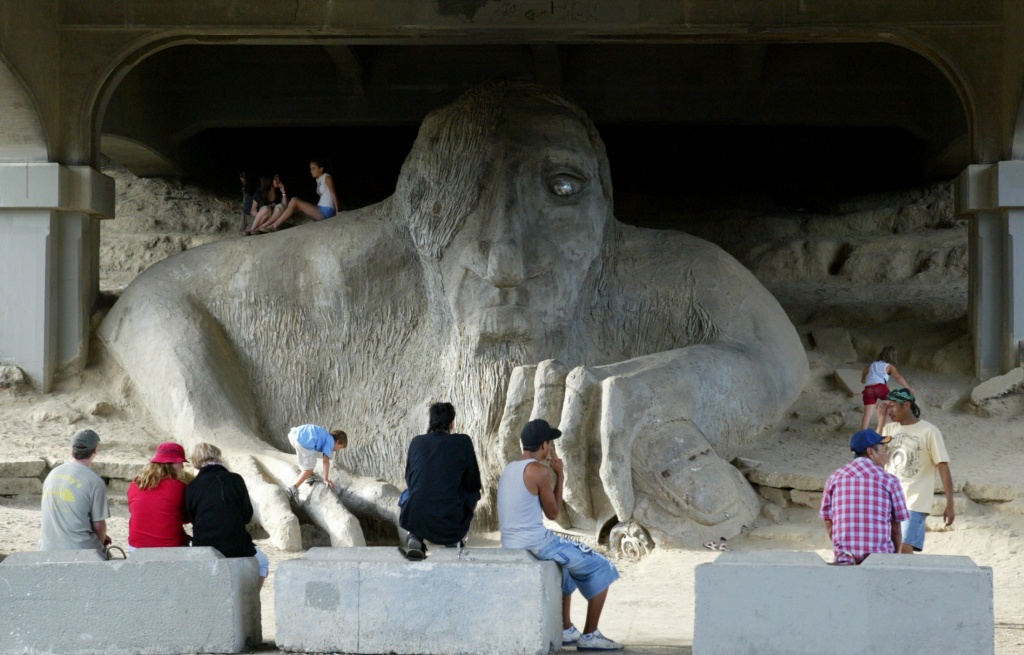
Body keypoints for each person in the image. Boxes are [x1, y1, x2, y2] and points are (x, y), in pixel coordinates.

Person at [100, 83, 809, 547]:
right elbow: (151, 301)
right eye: (462, 196)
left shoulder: (647, 268)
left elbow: (772, 348)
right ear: (417, 215)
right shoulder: (357, 262)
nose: (504, 256)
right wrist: (215, 425)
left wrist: (684, 386)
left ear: (602, 208)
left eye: (561, 190)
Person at [497, 419, 622, 651]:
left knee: (566, 564)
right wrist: (560, 475)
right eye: (550, 443)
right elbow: (553, 513)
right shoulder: (540, 471)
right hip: (536, 542)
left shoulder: (509, 468)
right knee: (602, 566)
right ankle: (590, 635)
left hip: (511, 542)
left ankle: (565, 629)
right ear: (544, 445)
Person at [876, 387, 955, 553]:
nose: (888, 411)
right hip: (889, 500)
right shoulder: (889, 430)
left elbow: (942, 466)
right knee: (891, 548)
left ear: (906, 405)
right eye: (886, 406)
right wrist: (881, 422)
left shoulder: (929, 431)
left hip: (915, 500)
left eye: (892, 406)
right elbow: (874, 455)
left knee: (904, 546)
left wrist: (950, 504)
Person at [399, 402, 482, 560]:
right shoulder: (463, 442)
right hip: (450, 519)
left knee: (408, 493)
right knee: (473, 493)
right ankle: (453, 537)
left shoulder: (416, 442)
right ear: (452, 424)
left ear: (430, 423)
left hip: (415, 518)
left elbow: (410, 480)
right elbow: (473, 484)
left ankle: (414, 536)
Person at [819, 430, 909, 565]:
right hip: (880, 561)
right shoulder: (889, 480)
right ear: (871, 452)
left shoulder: (835, 477)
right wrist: (894, 558)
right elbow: (896, 527)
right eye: (883, 450)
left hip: (845, 559)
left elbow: (828, 520)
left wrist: (840, 548)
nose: (886, 455)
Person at [186, 443, 269, 587]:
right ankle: (250, 601)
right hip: (235, 544)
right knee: (262, 563)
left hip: (203, 546)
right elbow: (247, 515)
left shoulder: (192, 486)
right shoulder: (235, 479)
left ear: (196, 461)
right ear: (218, 456)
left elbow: (191, 518)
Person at [39, 429, 112, 552]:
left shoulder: (53, 474)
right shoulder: (95, 482)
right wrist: (100, 545)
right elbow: (99, 526)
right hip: (79, 550)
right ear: (94, 450)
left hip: (47, 548)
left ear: (72, 449)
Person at [126, 441, 191, 550]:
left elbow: (134, 510)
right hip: (171, 546)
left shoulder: (135, 483)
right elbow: (186, 518)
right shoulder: (180, 487)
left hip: (136, 546)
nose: (182, 466)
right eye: (181, 462)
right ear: (172, 464)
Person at [256, 158, 339, 233]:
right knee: (293, 204)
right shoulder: (318, 179)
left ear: (321, 169)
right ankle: (271, 225)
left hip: (326, 211)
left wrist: (337, 211)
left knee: (294, 201)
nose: (311, 171)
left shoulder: (327, 177)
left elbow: (334, 194)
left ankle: (274, 225)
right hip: (320, 208)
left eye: (313, 169)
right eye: (310, 169)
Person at [285, 425, 345, 500]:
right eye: (340, 447)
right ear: (337, 442)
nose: (338, 450)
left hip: (294, 435)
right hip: (304, 442)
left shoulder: (325, 436)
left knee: (309, 460)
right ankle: (293, 488)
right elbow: (326, 461)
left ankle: (309, 475)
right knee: (309, 469)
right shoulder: (330, 442)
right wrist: (326, 479)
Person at [860, 345, 913, 430]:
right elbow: (898, 378)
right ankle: (883, 427)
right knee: (891, 405)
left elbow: (864, 371)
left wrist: (863, 379)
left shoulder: (873, 364)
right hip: (880, 388)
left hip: (868, 389)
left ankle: (863, 432)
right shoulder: (889, 367)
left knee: (868, 413)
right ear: (893, 357)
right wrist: (908, 388)